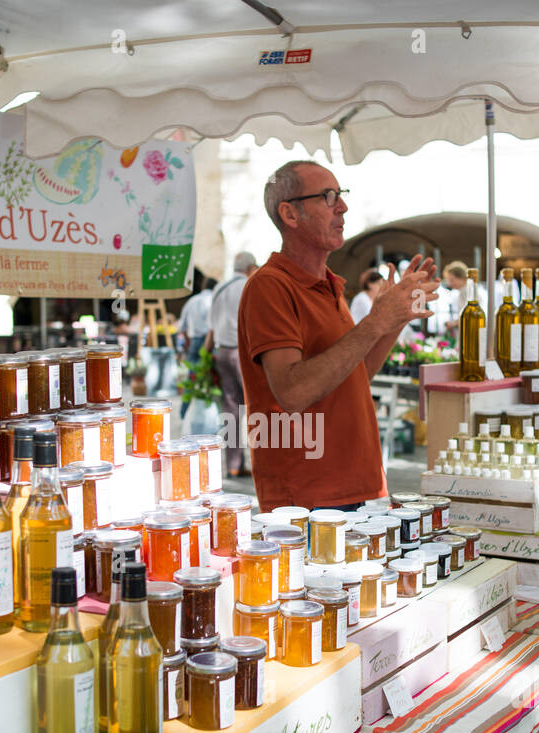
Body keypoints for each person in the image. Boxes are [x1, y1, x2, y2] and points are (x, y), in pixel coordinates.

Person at [238, 160, 439, 511]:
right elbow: (294, 391)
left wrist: (396, 319)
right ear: (290, 214)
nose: (342, 206)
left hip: (359, 486)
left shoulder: (329, 284)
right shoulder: (269, 286)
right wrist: (376, 321)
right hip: (310, 498)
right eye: (329, 197)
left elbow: (355, 374)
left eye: (341, 195)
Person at [204, 251, 257, 476]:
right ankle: (260, 463)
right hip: (241, 353)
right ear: (250, 267)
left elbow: (212, 327)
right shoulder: (249, 286)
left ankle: (234, 465)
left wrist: (204, 356)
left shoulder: (219, 288)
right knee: (255, 406)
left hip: (221, 352)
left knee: (231, 409)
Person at [177, 276, 216, 417]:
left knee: (191, 377)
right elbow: (214, 327)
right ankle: (209, 416)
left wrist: (188, 342)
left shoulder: (192, 301)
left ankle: (184, 412)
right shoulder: (214, 300)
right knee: (211, 379)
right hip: (209, 341)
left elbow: (182, 327)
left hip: (194, 341)